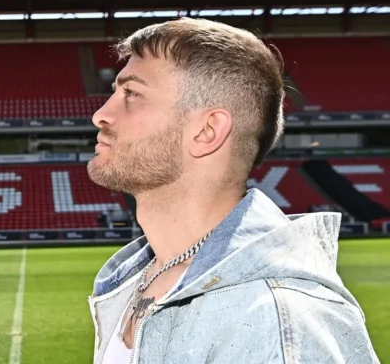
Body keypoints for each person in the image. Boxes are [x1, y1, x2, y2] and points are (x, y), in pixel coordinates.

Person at [86, 18, 378, 364]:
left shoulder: (276, 318)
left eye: (132, 94)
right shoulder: (140, 278)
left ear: (207, 130)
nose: (100, 115)